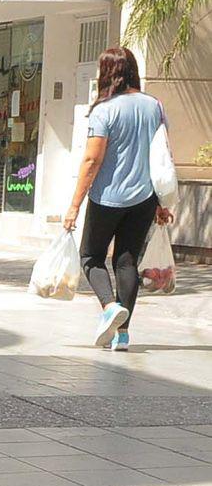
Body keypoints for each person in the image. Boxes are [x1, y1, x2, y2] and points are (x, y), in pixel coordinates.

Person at [63, 47, 173, 352]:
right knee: (126, 261)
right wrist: (163, 203)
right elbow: (163, 155)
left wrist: (74, 204)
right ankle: (122, 335)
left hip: (107, 197)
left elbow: (91, 160)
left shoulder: (104, 109)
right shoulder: (154, 106)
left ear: (106, 73)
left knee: (91, 257)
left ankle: (109, 306)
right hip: (145, 198)